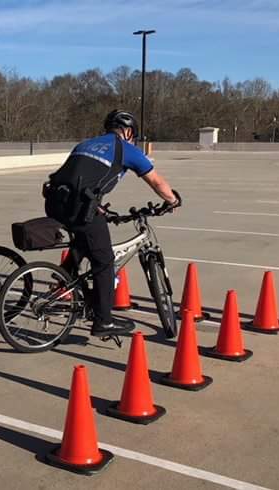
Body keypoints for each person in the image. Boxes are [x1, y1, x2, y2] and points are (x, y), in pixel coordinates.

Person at [44, 109, 181, 338]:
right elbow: (156, 181)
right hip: (79, 207)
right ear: (127, 131)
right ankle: (104, 321)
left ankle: (63, 283)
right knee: (104, 260)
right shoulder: (126, 149)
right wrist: (173, 200)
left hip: (55, 202)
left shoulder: (86, 144)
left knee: (83, 241)